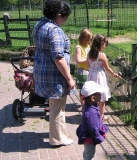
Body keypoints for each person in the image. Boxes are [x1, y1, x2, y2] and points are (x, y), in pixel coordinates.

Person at [33, 0, 75, 146]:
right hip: (54, 76)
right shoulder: (54, 30)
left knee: (55, 107)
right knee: (58, 108)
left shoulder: (40, 24)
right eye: (65, 17)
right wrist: (69, 78)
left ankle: (60, 134)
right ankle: (57, 139)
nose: (65, 20)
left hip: (42, 72)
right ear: (58, 15)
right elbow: (58, 57)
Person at [87, 34, 121, 121]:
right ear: (100, 44)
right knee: (102, 97)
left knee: (92, 95)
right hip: (99, 76)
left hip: (91, 75)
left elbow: (88, 65)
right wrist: (114, 74)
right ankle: (101, 116)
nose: (105, 45)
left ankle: (91, 114)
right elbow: (107, 68)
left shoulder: (89, 53)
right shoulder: (102, 55)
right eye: (104, 43)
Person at [76, 81, 109, 160]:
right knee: (90, 156)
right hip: (90, 136)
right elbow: (93, 127)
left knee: (87, 152)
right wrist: (98, 137)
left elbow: (92, 121)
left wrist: (99, 119)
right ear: (93, 98)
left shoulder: (89, 106)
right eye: (99, 94)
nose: (101, 95)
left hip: (87, 134)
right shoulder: (91, 113)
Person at [75, 28, 93, 111]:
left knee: (88, 88)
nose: (90, 42)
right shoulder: (79, 47)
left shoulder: (88, 46)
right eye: (88, 40)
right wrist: (87, 59)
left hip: (89, 70)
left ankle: (87, 104)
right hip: (82, 71)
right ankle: (83, 106)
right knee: (83, 89)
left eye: (91, 40)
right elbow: (78, 60)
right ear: (83, 39)